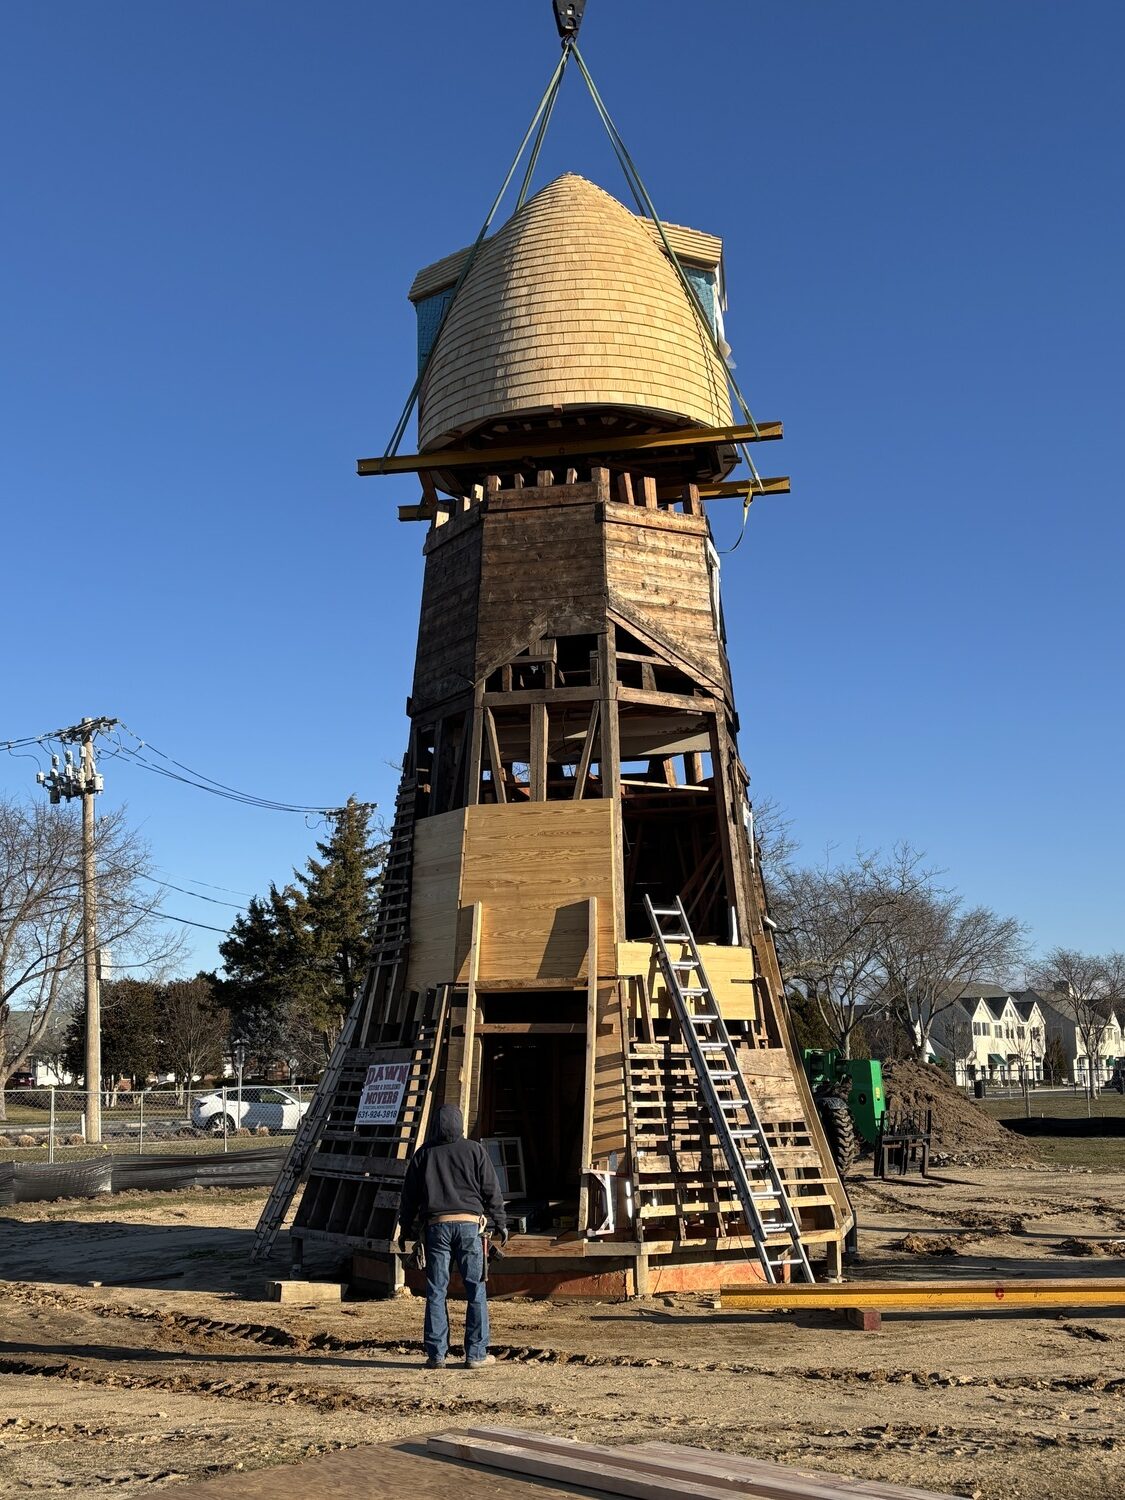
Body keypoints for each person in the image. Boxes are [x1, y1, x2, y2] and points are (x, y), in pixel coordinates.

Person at [398, 1103, 508, 1369]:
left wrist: (405, 1229)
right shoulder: (475, 1151)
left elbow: (409, 1197)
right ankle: (476, 1354)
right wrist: (501, 1222)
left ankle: (436, 1356)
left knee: (436, 1292)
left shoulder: (424, 1154)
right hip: (471, 1228)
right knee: (475, 1290)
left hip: (437, 1228)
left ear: (435, 1124)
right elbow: (492, 1190)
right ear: (460, 1123)